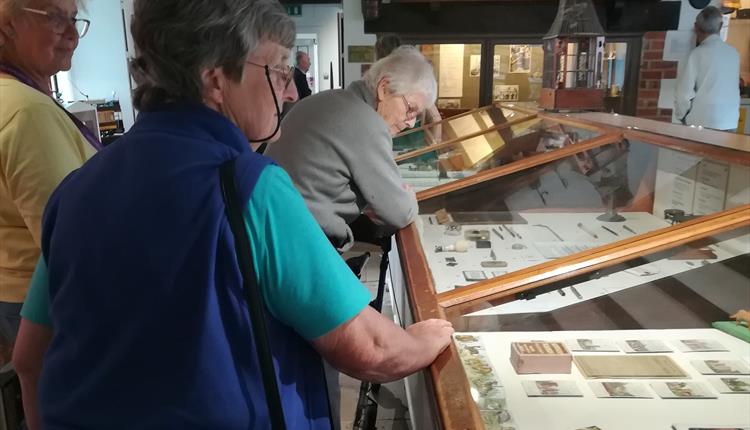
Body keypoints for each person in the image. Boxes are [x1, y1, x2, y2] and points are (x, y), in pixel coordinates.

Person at [13, 0, 453, 428]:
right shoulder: (249, 187)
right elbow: (370, 349)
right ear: (216, 80)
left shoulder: (76, 189)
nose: (290, 90)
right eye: (278, 70)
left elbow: (30, 361)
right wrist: (426, 338)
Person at [0, 1, 99, 425]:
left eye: (75, 20)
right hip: (45, 304)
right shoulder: (27, 112)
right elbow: (71, 241)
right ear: (6, 24)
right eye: (56, 18)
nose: (72, 34)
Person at [266, 46, 436, 252]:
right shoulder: (366, 122)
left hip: (275, 228)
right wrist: (409, 198)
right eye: (410, 110)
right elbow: (398, 212)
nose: (411, 123)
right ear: (384, 89)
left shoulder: (332, 99)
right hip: (299, 244)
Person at [674, 6, 740, 132]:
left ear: (695, 27)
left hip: (702, 120)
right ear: (720, 27)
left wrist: (682, 115)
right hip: (730, 120)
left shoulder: (696, 55)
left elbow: (683, 93)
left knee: (697, 152)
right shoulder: (734, 54)